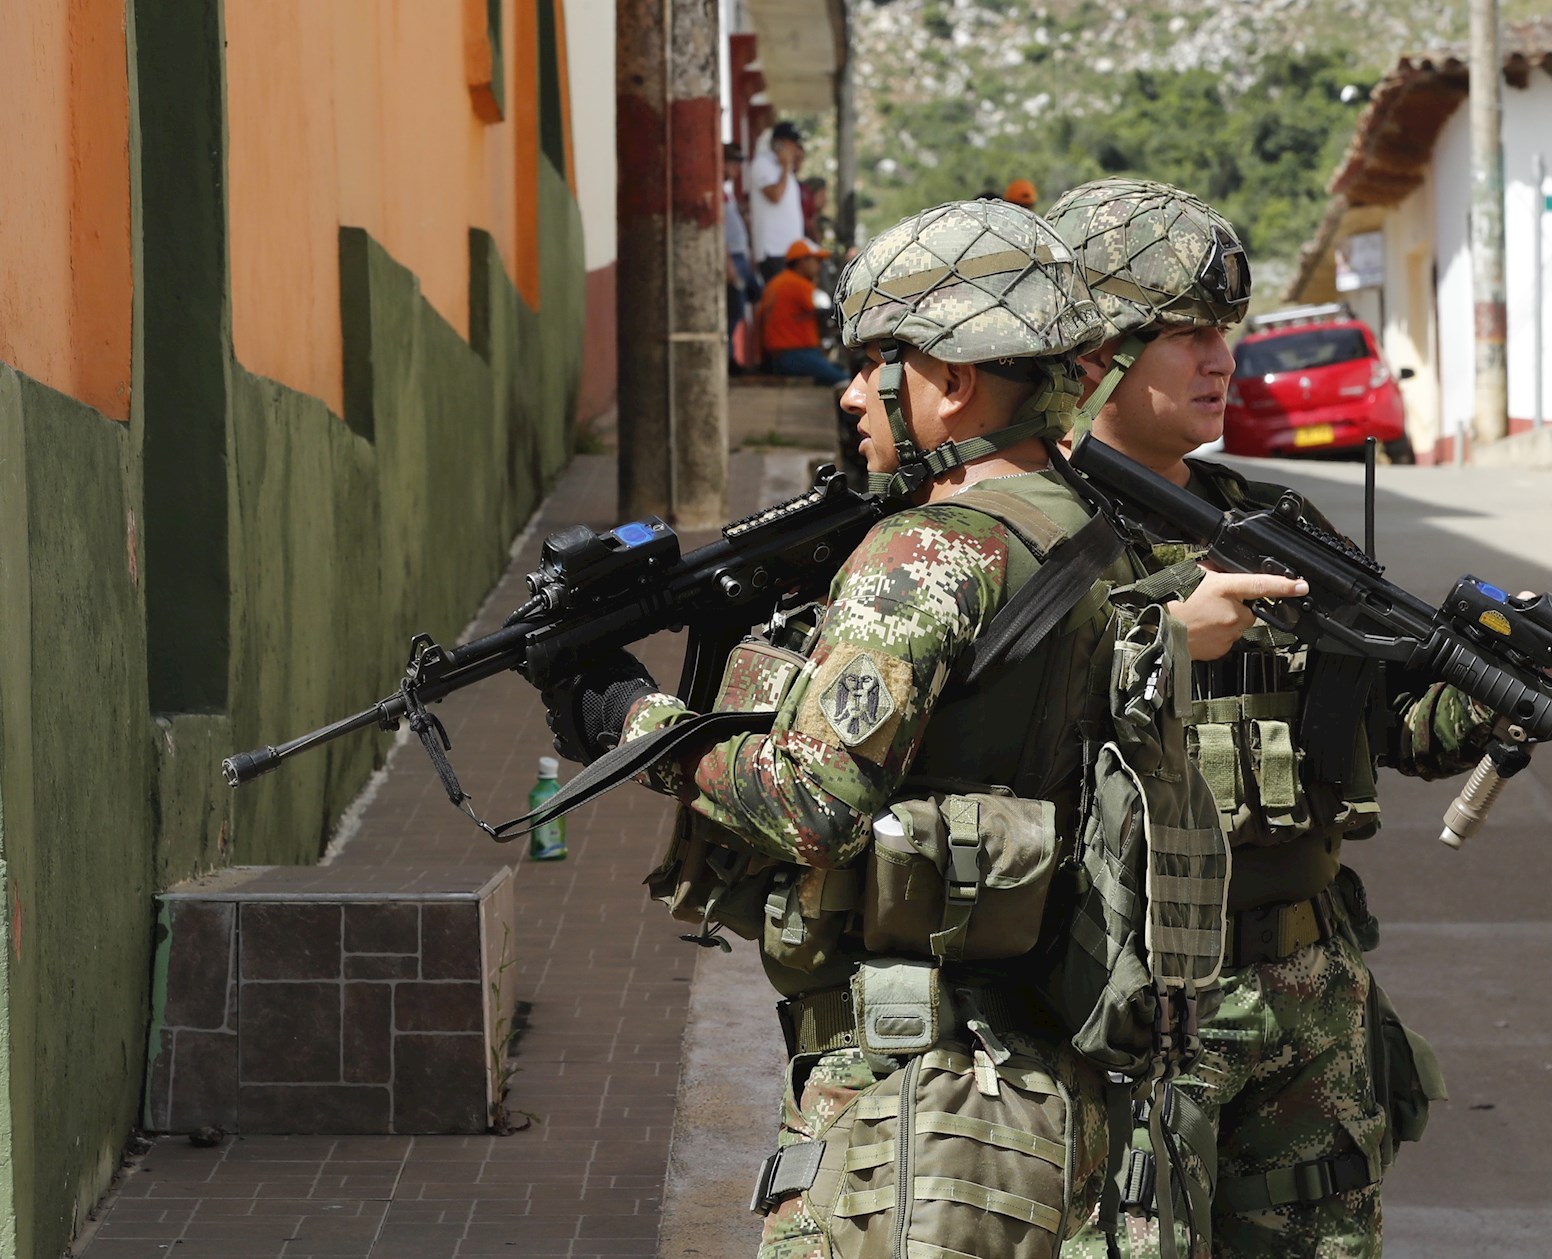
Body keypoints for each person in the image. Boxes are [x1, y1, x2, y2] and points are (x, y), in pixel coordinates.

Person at [542, 199, 1273, 1259]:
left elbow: (812, 800)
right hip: (1043, 1075)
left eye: (873, 361)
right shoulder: (1095, 528)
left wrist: (631, 717)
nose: (850, 394)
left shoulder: (927, 551)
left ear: (952, 375)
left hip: (907, 1087)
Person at [1049, 178, 1484, 1259]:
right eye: (1186, 334)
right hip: (1126, 1000)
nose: (1220, 359)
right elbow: (970, 734)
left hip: (1305, 994)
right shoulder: (1026, 536)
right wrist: (1146, 637)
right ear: (1092, 352)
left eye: (1224, 333)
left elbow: (1389, 724)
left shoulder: (1270, 523)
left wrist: (1482, 691)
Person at [756, 239, 845, 385]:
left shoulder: (776, 282)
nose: (818, 266)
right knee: (844, 380)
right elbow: (824, 311)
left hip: (778, 356)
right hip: (794, 354)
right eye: (816, 260)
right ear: (802, 261)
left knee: (838, 371)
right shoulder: (798, 284)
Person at [748, 120, 807, 281]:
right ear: (780, 143)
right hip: (773, 249)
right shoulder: (762, 164)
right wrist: (786, 166)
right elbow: (775, 195)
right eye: (792, 144)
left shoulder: (784, 169)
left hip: (790, 249)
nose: (795, 149)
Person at [722, 141, 760, 369]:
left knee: (745, 302)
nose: (736, 170)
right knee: (732, 310)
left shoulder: (726, 192)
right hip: (732, 258)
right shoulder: (715, 191)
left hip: (740, 257)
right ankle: (728, 359)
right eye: (733, 164)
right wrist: (727, 263)